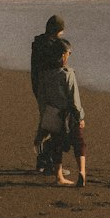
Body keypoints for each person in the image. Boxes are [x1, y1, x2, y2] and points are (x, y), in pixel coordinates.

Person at [36, 38, 87, 188]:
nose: (69, 56)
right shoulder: (68, 74)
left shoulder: (45, 75)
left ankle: (58, 176)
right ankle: (82, 172)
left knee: (56, 144)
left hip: (53, 113)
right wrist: (80, 117)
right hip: (69, 114)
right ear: (63, 55)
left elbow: (42, 100)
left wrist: (44, 118)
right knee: (79, 142)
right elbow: (75, 100)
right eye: (68, 53)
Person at [30, 14, 65, 173]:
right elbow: (55, 63)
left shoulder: (40, 43)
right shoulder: (48, 46)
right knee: (53, 124)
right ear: (57, 31)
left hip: (39, 88)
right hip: (48, 89)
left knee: (47, 122)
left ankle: (43, 161)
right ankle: (47, 161)